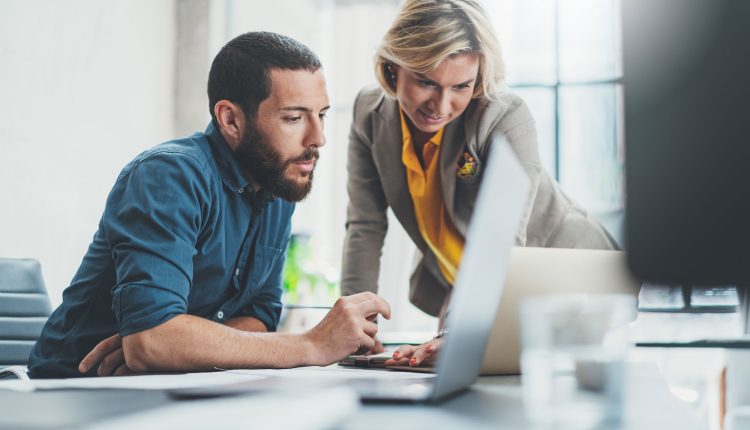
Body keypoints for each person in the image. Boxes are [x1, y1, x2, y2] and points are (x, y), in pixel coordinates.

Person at [28, 31, 390, 378]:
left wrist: (179, 346)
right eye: (294, 118)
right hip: (73, 388)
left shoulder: (277, 182)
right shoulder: (169, 175)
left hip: (175, 386)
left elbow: (259, 316)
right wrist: (311, 345)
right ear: (230, 119)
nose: (319, 138)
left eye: (321, 115)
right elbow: (151, 342)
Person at [340, 0, 616, 368]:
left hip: (565, 279)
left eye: (461, 86)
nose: (441, 104)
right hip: (467, 287)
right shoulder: (368, 113)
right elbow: (365, 227)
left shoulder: (504, 117)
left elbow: (501, 245)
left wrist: (455, 334)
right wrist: (357, 328)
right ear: (393, 68)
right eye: (426, 81)